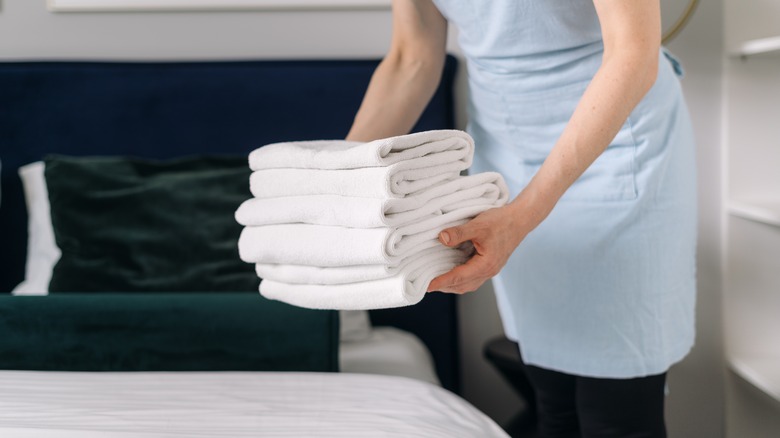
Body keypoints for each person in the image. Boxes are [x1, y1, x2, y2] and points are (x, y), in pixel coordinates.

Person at [346, 1, 696, 437]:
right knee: (553, 398)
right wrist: (340, 184)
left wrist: (523, 216)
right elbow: (411, 58)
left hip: (615, 138)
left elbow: (632, 52)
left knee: (616, 407)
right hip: (507, 144)